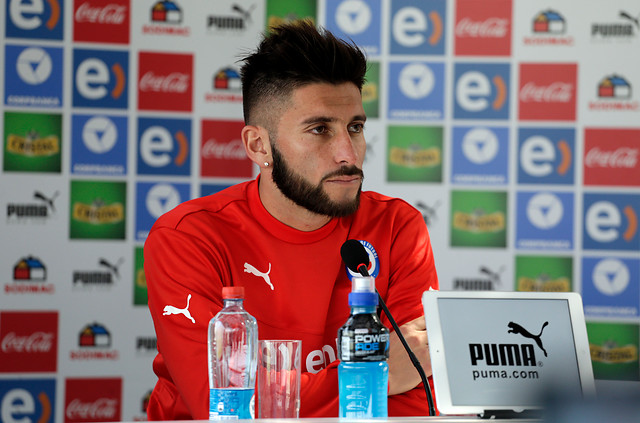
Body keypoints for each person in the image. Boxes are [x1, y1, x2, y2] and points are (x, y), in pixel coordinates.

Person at [144, 20, 439, 420]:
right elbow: (225, 408)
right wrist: (377, 374)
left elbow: (421, 395)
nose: (348, 154)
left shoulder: (397, 226)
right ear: (258, 145)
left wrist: (290, 393)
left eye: (355, 127)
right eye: (319, 129)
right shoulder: (188, 238)